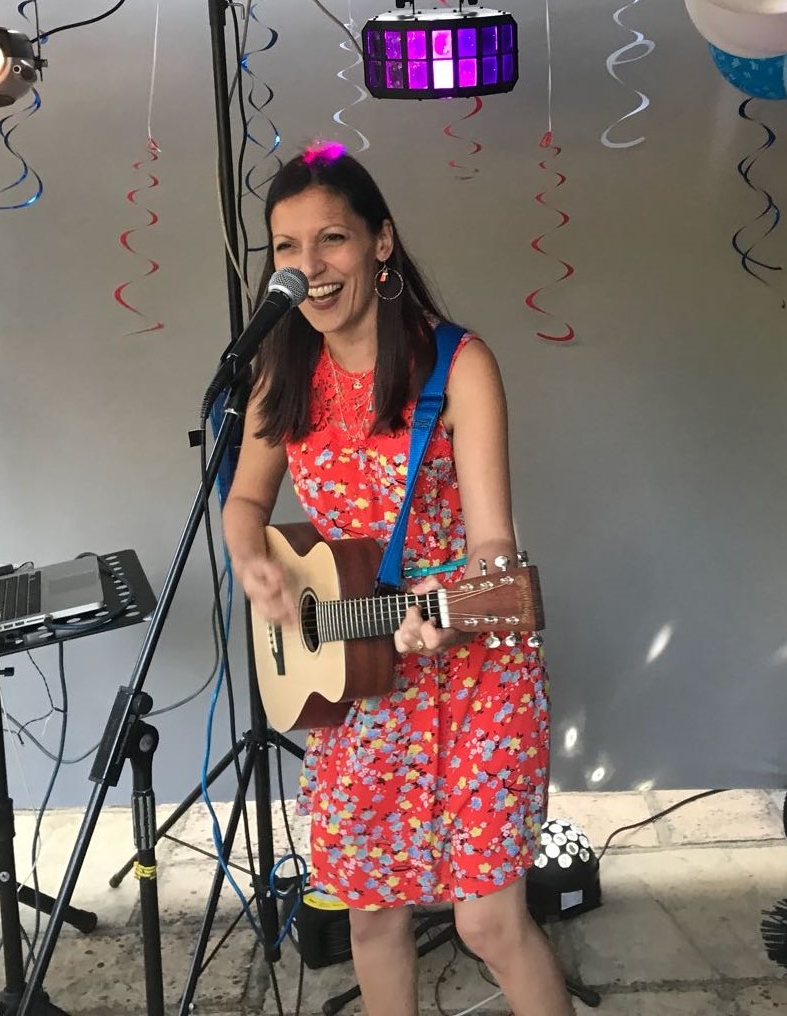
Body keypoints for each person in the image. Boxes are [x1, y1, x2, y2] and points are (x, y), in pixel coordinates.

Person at [221, 141, 573, 1016]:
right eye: (288, 250)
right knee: (371, 915)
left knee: (488, 922)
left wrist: (449, 613)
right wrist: (252, 559)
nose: (310, 268)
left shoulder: (458, 365)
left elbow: (496, 555)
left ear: (382, 243)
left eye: (331, 240)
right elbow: (245, 500)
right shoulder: (280, 369)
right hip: (356, 679)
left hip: (474, 668)